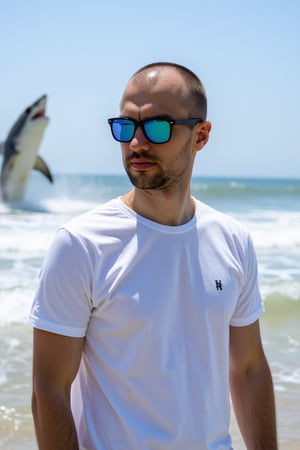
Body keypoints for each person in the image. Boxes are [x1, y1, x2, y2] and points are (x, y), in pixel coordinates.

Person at [30, 62, 277, 450]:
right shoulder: (80, 244)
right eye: (126, 126)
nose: (137, 143)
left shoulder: (233, 240)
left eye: (158, 127)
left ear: (201, 135)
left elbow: (248, 369)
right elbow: (49, 391)